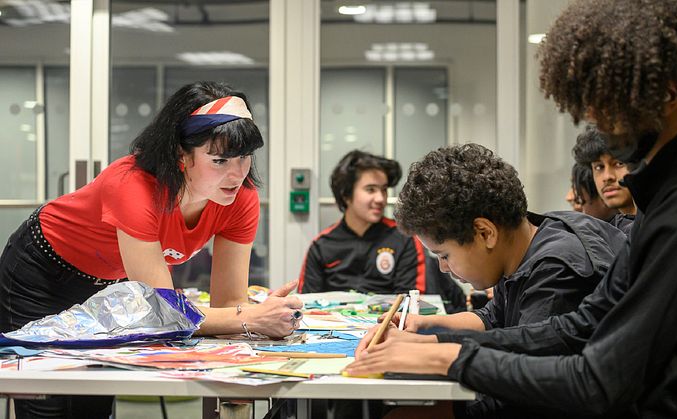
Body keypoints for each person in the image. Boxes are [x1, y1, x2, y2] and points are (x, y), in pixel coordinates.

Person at [346, 0, 677, 417]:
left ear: (665, 95)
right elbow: (577, 328)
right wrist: (436, 342)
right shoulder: (672, 191)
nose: (592, 117)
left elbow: (600, 381)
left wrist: (445, 359)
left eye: (605, 101)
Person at [0, 81, 303, 418]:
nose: (237, 173)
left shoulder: (240, 198)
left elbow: (229, 303)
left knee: (95, 395)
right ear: (180, 156)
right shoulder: (132, 185)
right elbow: (164, 313)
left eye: (245, 157)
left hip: (109, 283)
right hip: (41, 271)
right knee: (50, 399)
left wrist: (258, 317)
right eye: (219, 160)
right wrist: (251, 316)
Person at [352, 143, 625, 417]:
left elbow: (525, 391)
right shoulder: (526, 241)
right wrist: (426, 325)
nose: (444, 268)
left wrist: (439, 387)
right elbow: (494, 318)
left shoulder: (556, 272)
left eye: (444, 255)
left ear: (484, 233)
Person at [298, 150, 426, 295]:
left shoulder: (404, 238)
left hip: (389, 318)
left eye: (384, 190)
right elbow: (306, 303)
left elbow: (411, 301)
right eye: (370, 190)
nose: (380, 199)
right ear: (346, 195)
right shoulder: (321, 245)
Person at [573, 126, 636, 234]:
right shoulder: (609, 235)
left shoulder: (658, 221)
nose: (607, 177)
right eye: (599, 167)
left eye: (618, 164)